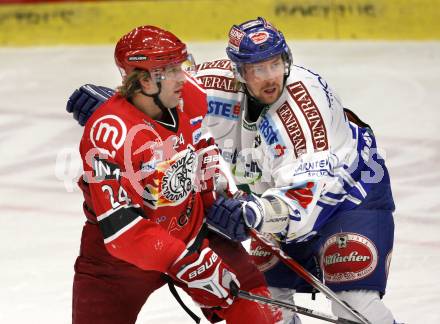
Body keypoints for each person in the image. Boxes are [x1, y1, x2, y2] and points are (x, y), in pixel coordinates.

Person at [67, 18, 398, 323]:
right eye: (257, 69)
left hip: (348, 196)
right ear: (238, 72)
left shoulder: (304, 112)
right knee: (273, 306)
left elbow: (309, 192)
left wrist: (250, 213)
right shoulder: (210, 86)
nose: (270, 76)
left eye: (275, 64)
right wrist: (117, 105)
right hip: (267, 205)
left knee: (355, 303)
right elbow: (160, 94)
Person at [70, 24, 280, 324]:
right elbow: (122, 232)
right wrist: (185, 263)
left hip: (191, 230)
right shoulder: (109, 133)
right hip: (117, 262)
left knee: (261, 315)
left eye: (180, 66)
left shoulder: (189, 95)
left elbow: (202, 150)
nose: (183, 77)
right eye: (170, 70)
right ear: (143, 81)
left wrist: (220, 198)